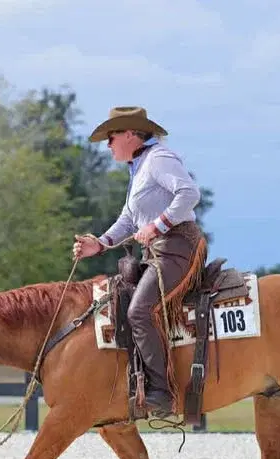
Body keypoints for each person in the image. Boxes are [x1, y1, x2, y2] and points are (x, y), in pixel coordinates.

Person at [73, 106, 207, 418]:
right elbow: (129, 219)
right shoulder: (140, 167)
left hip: (177, 247)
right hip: (160, 251)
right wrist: (100, 244)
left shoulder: (158, 158)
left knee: (139, 311)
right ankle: (137, 381)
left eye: (112, 136)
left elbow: (189, 193)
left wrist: (157, 226)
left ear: (131, 134)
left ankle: (161, 392)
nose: (108, 144)